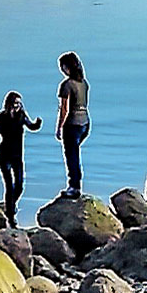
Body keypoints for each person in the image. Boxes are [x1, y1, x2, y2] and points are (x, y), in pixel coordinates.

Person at [0, 91, 41, 223]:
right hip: (4, 155)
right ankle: (10, 215)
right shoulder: (1, 118)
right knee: (9, 186)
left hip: (17, 156)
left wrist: (38, 123)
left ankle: (9, 205)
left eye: (20, 103)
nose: (18, 106)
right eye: (16, 103)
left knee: (20, 185)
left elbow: (31, 126)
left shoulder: (21, 115)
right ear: (9, 103)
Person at [56, 51, 90, 195]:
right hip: (85, 122)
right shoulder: (83, 83)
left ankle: (74, 187)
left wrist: (59, 127)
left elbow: (64, 109)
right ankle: (76, 184)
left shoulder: (67, 85)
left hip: (72, 124)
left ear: (67, 67)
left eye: (62, 66)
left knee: (72, 156)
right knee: (75, 154)